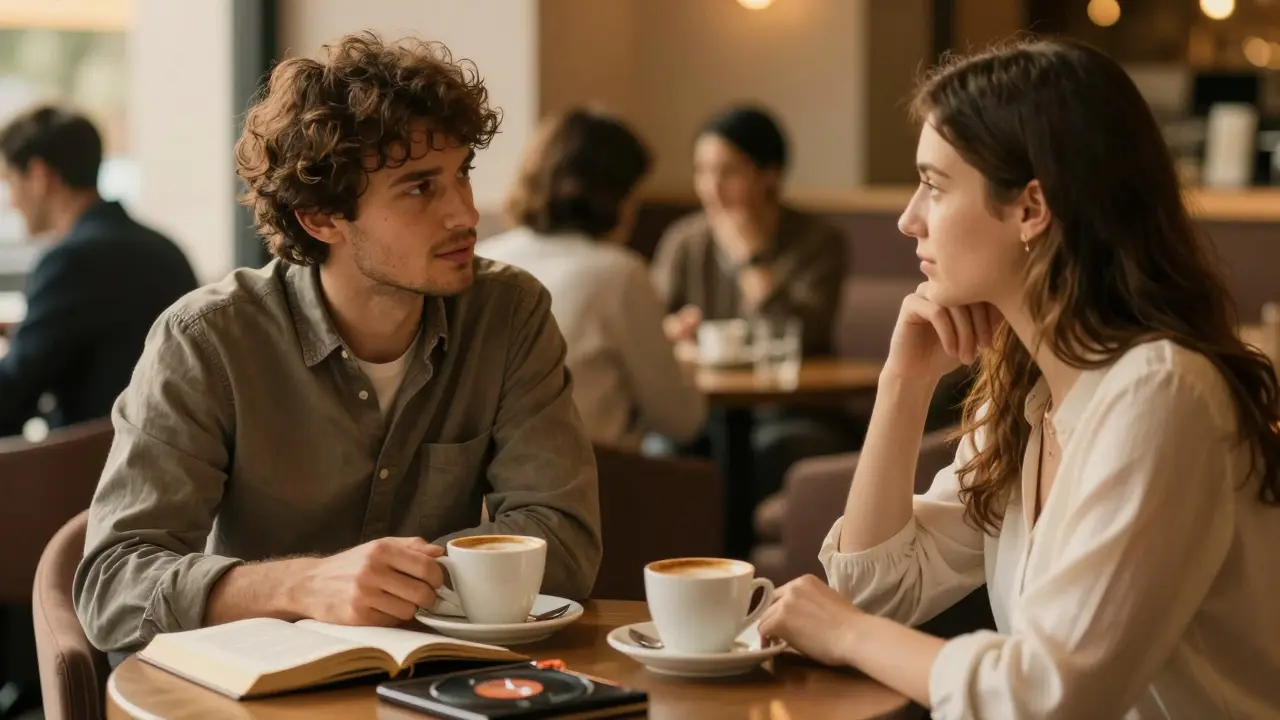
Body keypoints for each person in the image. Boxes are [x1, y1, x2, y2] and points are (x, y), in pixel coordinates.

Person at [758, 39, 1280, 718]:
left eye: (935, 185)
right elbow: (873, 590)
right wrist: (904, 384)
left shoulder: (1162, 393)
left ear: (1032, 208)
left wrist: (846, 634)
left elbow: (1050, 695)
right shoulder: (1030, 396)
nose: (907, 218)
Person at [74, 32, 602, 655]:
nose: (466, 213)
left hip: (437, 685)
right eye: (420, 187)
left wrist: (388, 586)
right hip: (256, 693)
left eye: (462, 175)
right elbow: (113, 585)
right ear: (322, 219)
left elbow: (561, 540)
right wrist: (304, 584)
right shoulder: (206, 341)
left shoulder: (508, 313)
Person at [650, 105, 856, 516]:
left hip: (792, 409)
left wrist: (752, 258)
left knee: (771, 451)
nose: (711, 187)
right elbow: (654, 326)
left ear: (770, 174)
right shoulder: (685, 241)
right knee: (661, 449)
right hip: (701, 412)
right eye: (702, 171)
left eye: (728, 172)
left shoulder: (819, 241)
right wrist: (673, 333)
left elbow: (802, 335)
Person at [480, 109, 705, 450]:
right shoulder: (618, 273)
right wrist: (685, 362)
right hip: (591, 486)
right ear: (618, 197)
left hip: (486, 488)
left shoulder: (482, 258)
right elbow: (680, 420)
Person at [0, 106, 197, 435]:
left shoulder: (71, 262)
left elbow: (12, 394)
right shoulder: (165, 248)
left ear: (39, 176)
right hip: (178, 454)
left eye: (10, 182)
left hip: (96, 469)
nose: (11, 202)